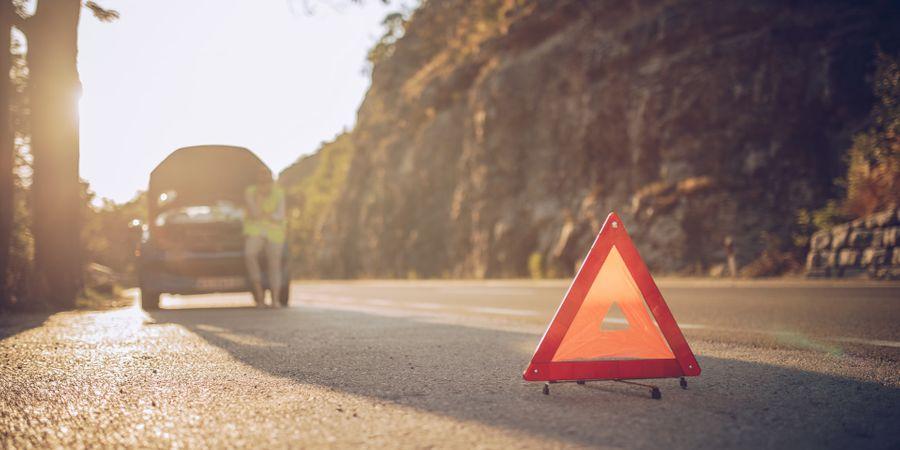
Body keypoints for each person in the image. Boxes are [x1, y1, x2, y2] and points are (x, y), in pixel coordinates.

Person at [243, 174, 287, 307]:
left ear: (271, 184)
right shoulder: (251, 192)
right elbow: (254, 213)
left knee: (274, 264)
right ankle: (260, 296)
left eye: (267, 184)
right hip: (256, 230)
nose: (265, 187)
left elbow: (280, 215)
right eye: (262, 185)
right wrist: (259, 200)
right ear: (258, 184)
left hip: (275, 233)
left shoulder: (278, 193)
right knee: (250, 254)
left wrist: (266, 215)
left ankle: (275, 299)